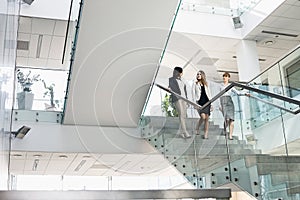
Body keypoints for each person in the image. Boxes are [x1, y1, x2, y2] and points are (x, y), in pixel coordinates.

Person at [219, 72, 249, 140]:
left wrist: (245, 94)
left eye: (226, 76)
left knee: (231, 120)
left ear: (228, 78)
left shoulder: (230, 86)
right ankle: (224, 129)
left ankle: (230, 135)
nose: (224, 78)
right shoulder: (221, 85)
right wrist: (219, 105)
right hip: (223, 101)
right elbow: (219, 96)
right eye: (224, 76)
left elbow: (238, 93)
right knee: (226, 119)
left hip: (229, 102)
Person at [169, 66, 191, 139]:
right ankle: (185, 131)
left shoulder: (182, 81)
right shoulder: (171, 79)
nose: (175, 73)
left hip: (184, 98)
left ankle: (181, 132)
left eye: (177, 72)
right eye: (174, 71)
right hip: (177, 98)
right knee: (181, 114)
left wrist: (187, 100)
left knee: (184, 115)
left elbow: (184, 91)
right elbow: (170, 87)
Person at [192, 70, 212, 139]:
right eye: (197, 74)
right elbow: (193, 94)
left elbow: (209, 94)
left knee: (207, 118)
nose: (198, 75)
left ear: (202, 75)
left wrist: (211, 104)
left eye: (200, 74)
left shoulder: (206, 84)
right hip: (199, 102)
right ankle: (197, 128)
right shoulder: (195, 84)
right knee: (203, 117)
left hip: (207, 102)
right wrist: (194, 104)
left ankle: (206, 134)